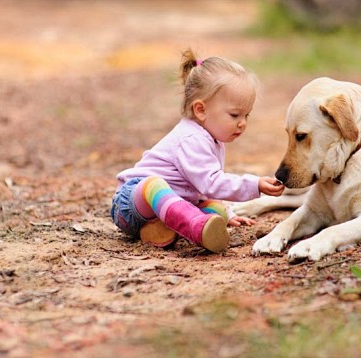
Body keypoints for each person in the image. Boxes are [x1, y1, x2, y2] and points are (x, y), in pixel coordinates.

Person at [111, 49, 285, 253]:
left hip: (163, 209)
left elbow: (203, 188)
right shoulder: (191, 139)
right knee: (154, 184)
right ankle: (195, 227)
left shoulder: (212, 139)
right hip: (132, 202)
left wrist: (227, 214)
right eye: (235, 115)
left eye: (247, 115)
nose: (243, 123)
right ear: (201, 110)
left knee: (216, 207)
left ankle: (160, 229)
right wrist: (254, 184)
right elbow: (212, 182)